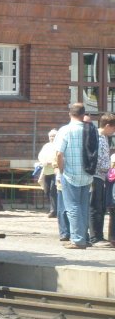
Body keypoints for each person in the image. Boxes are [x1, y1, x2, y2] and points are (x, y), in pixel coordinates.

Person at [55, 103, 94, 249]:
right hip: (87, 173)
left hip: (70, 174)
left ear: (70, 114)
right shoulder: (91, 129)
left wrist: (61, 170)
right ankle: (84, 237)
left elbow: (59, 153)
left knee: (72, 207)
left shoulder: (65, 130)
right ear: (83, 114)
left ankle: (78, 240)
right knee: (84, 206)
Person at [89, 113, 115, 245]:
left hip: (102, 176)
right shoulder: (98, 137)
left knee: (101, 206)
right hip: (96, 175)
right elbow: (97, 158)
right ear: (108, 126)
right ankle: (95, 236)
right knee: (95, 206)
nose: (114, 131)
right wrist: (108, 168)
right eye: (113, 128)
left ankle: (99, 235)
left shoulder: (105, 138)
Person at [37, 129, 59, 217]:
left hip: (55, 171)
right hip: (46, 171)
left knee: (53, 190)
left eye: (53, 136)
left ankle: (54, 210)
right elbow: (40, 156)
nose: (52, 138)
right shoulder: (46, 146)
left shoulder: (59, 145)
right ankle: (52, 208)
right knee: (47, 190)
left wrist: (52, 162)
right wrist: (43, 161)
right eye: (50, 136)